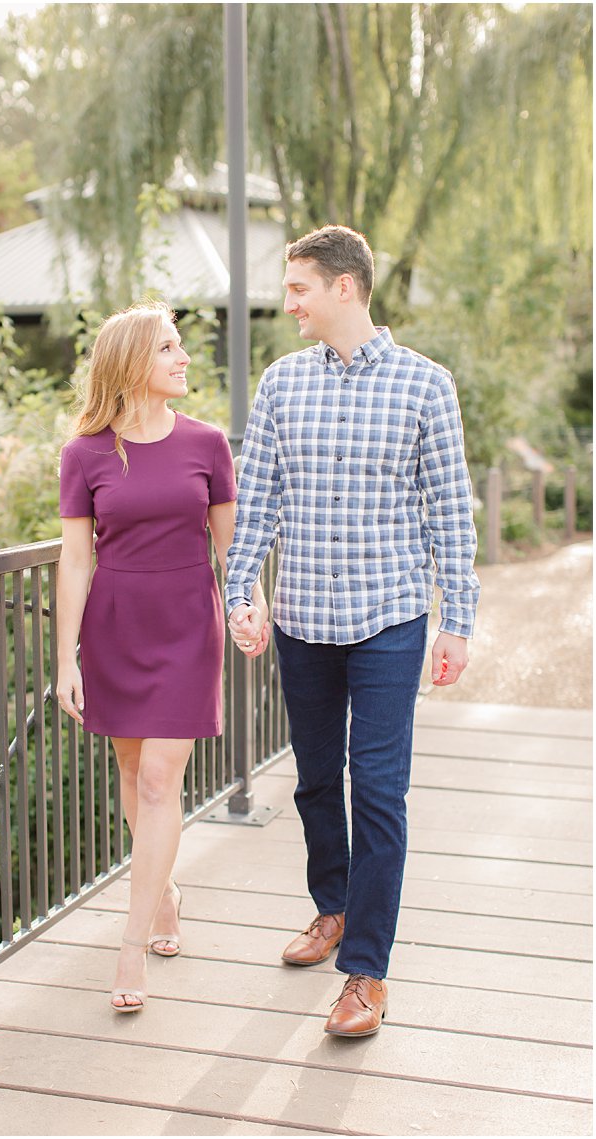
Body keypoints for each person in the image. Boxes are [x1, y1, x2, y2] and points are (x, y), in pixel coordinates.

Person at [225, 224, 480, 1038]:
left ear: (344, 287)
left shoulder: (425, 386)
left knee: (376, 788)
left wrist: (457, 620)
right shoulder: (280, 384)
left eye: (299, 286)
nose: (288, 302)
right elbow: (256, 497)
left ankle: (365, 971)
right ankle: (331, 906)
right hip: (300, 618)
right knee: (311, 779)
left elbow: (450, 511)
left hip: (388, 620)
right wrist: (243, 591)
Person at [54, 301, 252, 1012]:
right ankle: (163, 891)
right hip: (114, 626)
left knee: (161, 779)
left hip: (186, 626)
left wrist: (243, 607)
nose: (183, 357)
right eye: (169, 347)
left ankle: (130, 944)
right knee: (135, 772)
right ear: (135, 362)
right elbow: (76, 561)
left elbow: (233, 547)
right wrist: (65, 659)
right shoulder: (85, 453)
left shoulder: (208, 443)